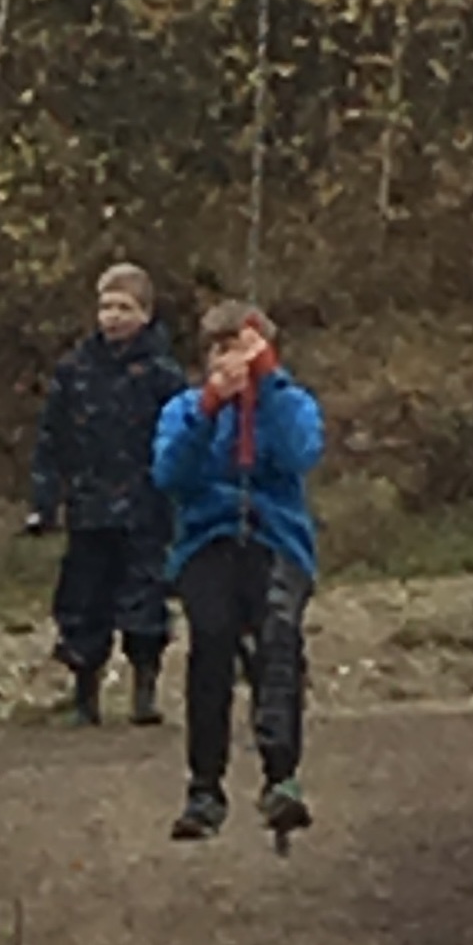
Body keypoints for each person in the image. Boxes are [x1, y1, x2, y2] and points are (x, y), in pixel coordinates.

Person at [151, 298, 324, 842]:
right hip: (209, 540)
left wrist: (266, 389)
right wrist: (209, 409)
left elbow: (300, 453)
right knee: (212, 638)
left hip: (276, 540)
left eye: (241, 349)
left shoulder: (291, 403)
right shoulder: (183, 409)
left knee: (279, 637)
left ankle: (281, 774)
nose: (230, 359)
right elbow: (169, 473)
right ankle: (205, 786)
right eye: (220, 349)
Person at [26, 263, 185, 727]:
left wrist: (181, 498)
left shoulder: (163, 375)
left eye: (124, 307)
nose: (113, 316)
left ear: (146, 314)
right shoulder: (74, 371)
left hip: (146, 509)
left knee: (145, 599)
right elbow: (51, 440)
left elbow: (183, 442)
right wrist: (44, 501)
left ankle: (144, 691)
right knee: (82, 602)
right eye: (106, 306)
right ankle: (85, 696)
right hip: (88, 508)